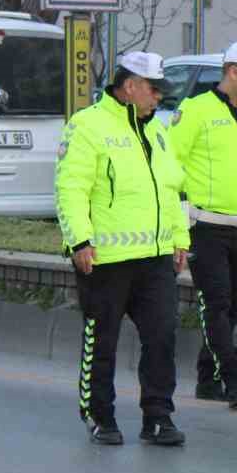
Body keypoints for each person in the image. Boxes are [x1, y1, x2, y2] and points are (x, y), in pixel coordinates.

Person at [54, 51, 191, 447]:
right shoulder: (88, 126)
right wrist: (79, 240)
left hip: (155, 257)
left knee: (162, 336)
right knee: (102, 342)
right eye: (153, 88)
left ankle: (158, 417)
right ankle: (99, 415)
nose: (159, 97)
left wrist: (180, 239)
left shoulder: (158, 130)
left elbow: (173, 188)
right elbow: (70, 188)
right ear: (129, 86)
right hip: (104, 260)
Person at [168, 40, 237, 409]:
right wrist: (177, 226)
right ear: (233, 72)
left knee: (232, 307)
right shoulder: (195, 111)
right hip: (205, 226)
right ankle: (233, 378)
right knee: (214, 303)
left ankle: (207, 380)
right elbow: (171, 167)